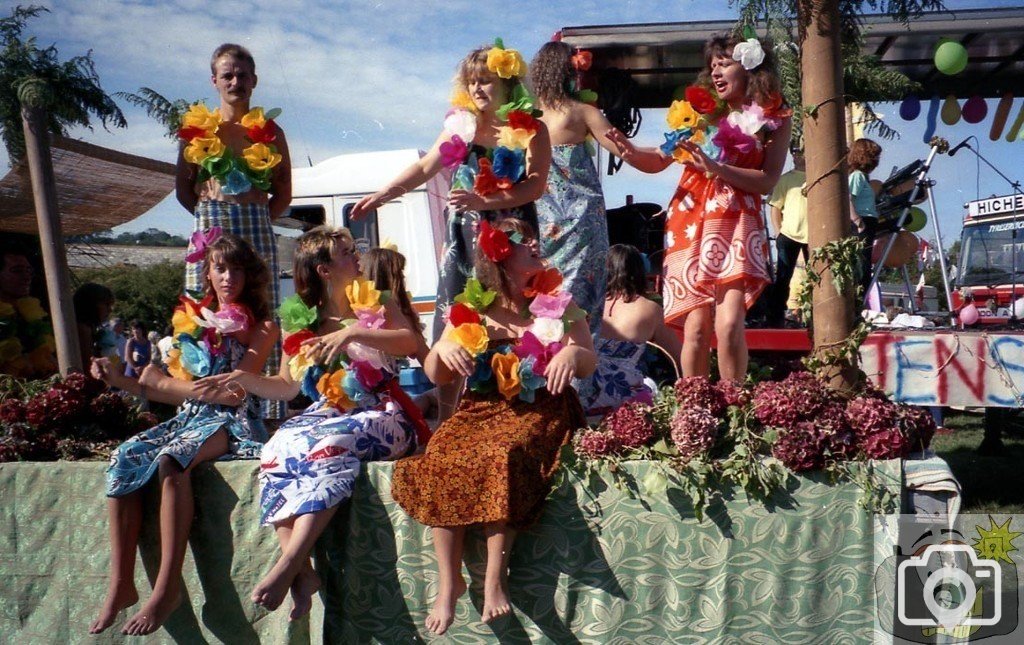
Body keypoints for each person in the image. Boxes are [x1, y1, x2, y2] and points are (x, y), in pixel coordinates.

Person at [197, 229, 429, 620]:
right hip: (328, 408)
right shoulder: (299, 320)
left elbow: (411, 343)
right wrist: (241, 379)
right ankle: (304, 574)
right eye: (345, 253)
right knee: (277, 447)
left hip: (383, 410)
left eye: (353, 250)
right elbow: (287, 389)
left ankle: (289, 563)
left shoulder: (378, 301)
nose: (357, 258)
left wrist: (354, 331)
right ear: (324, 269)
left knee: (331, 444)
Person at [390, 218, 596, 635]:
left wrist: (572, 356)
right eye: (523, 239)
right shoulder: (473, 308)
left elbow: (589, 358)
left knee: (502, 453)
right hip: (481, 407)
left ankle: (494, 580)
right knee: (444, 452)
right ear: (500, 255)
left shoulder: (559, 301)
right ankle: (449, 584)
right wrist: (445, 348)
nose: (536, 242)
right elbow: (435, 374)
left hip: (542, 407)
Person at [88, 234, 278, 636]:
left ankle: (167, 586)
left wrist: (164, 384)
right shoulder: (191, 321)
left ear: (250, 274)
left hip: (233, 422)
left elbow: (233, 392)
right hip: (189, 418)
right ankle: (121, 583)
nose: (229, 277)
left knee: (172, 460)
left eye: (238, 268)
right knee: (124, 456)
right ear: (207, 271)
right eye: (221, 268)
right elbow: (151, 389)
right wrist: (119, 378)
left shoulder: (262, 327)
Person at [349, 42, 552, 419]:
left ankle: (520, 402)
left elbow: (535, 186)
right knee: (456, 315)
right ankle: (446, 416)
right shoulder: (462, 125)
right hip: (466, 235)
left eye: (487, 81)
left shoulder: (532, 128)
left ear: (508, 84)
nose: (478, 90)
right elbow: (427, 166)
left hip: (513, 232)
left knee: (514, 311)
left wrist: (486, 203)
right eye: (472, 82)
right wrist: (383, 194)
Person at [608, 33, 792, 382]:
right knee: (694, 329)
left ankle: (734, 406)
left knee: (730, 323)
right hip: (691, 220)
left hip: (737, 221)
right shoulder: (697, 114)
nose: (717, 73)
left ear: (750, 66)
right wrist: (628, 150)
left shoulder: (775, 117)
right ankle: (694, 407)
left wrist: (718, 168)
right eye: (712, 67)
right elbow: (659, 159)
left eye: (724, 64)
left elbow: (767, 179)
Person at [175, 43, 291, 412]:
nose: (235, 81)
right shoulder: (196, 132)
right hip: (211, 227)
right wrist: (212, 215)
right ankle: (204, 404)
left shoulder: (272, 132)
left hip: (257, 229)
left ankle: (264, 412)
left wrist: (254, 213)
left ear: (254, 80)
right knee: (203, 310)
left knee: (260, 311)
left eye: (242, 75)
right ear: (214, 81)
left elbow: (284, 194)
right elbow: (182, 190)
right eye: (228, 75)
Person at [529, 41, 620, 334]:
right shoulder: (582, 112)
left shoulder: (524, 117)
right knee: (580, 305)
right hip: (581, 223)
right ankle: (578, 369)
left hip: (538, 223)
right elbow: (627, 151)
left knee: (538, 302)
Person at [574, 244, 683, 419]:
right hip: (624, 399)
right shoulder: (651, 310)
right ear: (639, 271)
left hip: (582, 394)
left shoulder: (586, 305)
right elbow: (679, 358)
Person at [767, 144, 808, 327]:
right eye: (795, 153)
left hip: (813, 236)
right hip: (789, 234)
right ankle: (775, 317)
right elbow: (775, 207)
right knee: (784, 276)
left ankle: (810, 315)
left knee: (817, 276)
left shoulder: (817, 177)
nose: (798, 156)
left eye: (801, 152)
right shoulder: (785, 179)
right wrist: (778, 232)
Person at [0, 247, 57, 377]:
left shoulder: (31, 311)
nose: (27, 277)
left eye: (29, 270)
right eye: (17, 271)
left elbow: (47, 357)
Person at [848, 137, 883, 301]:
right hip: (862, 223)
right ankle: (857, 303)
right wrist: (858, 221)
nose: (877, 161)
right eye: (874, 156)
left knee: (865, 265)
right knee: (861, 267)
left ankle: (860, 303)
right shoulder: (858, 176)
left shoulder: (863, 177)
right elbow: (848, 198)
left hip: (868, 221)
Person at [73, 282, 115, 361]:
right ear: (91, 304)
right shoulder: (83, 329)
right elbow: (89, 365)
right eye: (106, 304)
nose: (110, 310)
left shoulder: (87, 327)